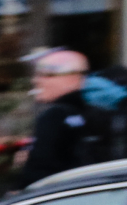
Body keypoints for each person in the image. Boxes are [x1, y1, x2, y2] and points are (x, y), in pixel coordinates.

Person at [14, 48, 107, 187]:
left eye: (47, 75)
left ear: (73, 78)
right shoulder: (96, 113)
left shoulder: (54, 116)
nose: (36, 81)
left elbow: (38, 171)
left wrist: (17, 190)